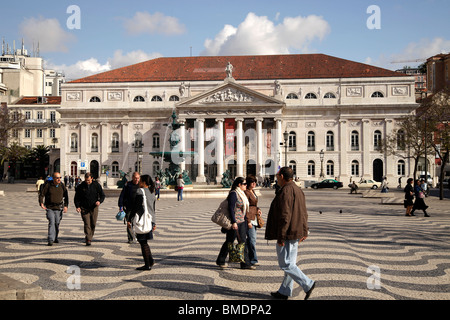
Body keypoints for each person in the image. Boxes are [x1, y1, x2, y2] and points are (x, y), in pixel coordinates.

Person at [265, 167, 316, 300]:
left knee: (286, 264)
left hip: (288, 233)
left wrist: (281, 236)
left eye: (277, 176)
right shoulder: (298, 190)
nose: (276, 178)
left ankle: (308, 284)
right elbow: (304, 212)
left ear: (282, 176)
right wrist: (305, 230)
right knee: (290, 263)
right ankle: (284, 291)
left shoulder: (286, 191)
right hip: (296, 231)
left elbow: (285, 216)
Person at [216, 176, 254, 270]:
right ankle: (220, 260)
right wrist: (233, 222)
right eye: (244, 184)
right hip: (235, 222)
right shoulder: (233, 194)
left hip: (242, 221)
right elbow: (231, 208)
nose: (246, 185)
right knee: (229, 241)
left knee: (243, 242)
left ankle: (245, 263)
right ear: (239, 185)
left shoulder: (242, 193)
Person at [127, 175, 157, 271]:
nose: (139, 182)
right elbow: (153, 208)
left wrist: (130, 219)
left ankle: (147, 264)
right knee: (145, 242)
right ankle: (150, 260)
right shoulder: (152, 192)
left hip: (143, 220)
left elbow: (136, 207)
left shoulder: (141, 191)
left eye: (140, 181)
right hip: (150, 220)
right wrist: (154, 222)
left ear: (144, 182)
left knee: (143, 242)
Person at [74, 173, 106, 245]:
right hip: (84, 208)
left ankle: (90, 236)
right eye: (86, 180)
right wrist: (78, 206)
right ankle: (88, 239)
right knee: (87, 223)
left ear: (91, 178)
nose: (87, 182)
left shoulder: (96, 185)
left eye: (88, 180)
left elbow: (102, 195)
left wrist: (99, 201)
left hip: (94, 207)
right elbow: (76, 198)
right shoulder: (81, 186)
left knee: (93, 223)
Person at [38, 172, 68, 246]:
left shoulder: (62, 185)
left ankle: (55, 237)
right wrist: (41, 203)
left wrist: (66, 206)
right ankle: (50, 239)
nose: (59, 179)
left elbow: (66, 196)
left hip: (59, 208)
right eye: (57, 178)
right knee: (52, 222)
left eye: (60, 178)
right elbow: (42, 194)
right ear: (53, 178)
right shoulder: (48, 185)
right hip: (50, 207)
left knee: (57, 223)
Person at [244, 175, 261, 267]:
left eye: (255, 182)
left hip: (254, 217)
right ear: (248, 183)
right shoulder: (246, 192)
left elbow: (254, 204)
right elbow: (246, 207)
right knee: (252, 240)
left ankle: (245, 258)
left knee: (250, 240)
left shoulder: (253, 191)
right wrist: (248, 221)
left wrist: (258, 209)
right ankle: (253, 259)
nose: (254, 183)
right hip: (249, 218)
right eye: (252, 182)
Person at [118, 172, 141, 243]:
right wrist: (120, 205)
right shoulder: (128, 185)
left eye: (138, 178)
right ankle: (130, 238)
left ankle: (138, 237)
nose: (137, 180)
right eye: (136, 178)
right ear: (132, 178)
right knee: (129, 223)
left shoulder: (141, 185)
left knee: (138, 223)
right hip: (129, 208)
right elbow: (122, 195)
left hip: (138, 208)